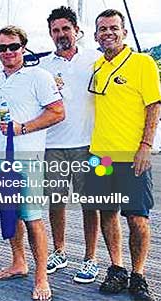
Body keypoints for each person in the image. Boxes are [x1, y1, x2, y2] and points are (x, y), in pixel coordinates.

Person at [0, 26, 64, 301]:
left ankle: (42, 278)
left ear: (24, 47)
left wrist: (22, 129)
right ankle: (18, 262)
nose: (8, 52)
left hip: (26, 158)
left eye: (14, 46)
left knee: (32, 218)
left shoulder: (38, 76)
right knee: (9, 213)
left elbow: (58, 112)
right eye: (3, 48)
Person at [87, 9, 159, 301]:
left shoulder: (143, 63)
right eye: (102, 29)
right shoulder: (96, 66)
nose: (108, 33)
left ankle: (138, 274)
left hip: (131, 156)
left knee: (137, 218)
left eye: (113, 28)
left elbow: (154, 105)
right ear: (95, 35)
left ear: (124, 32)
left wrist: (145, 146)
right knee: (107, 213)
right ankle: (117, 269)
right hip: (100, 157)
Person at [37, 6, 102, 284]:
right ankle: (60, 251)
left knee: (91, 203)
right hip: (53, 145)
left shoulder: (96, 59)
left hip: (89, 144)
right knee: (56, 201)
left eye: (66, 29)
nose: (61, 34)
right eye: (55, 30)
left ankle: (90, 258)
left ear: (76, 30)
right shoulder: (43, 67)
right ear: (50, 34)